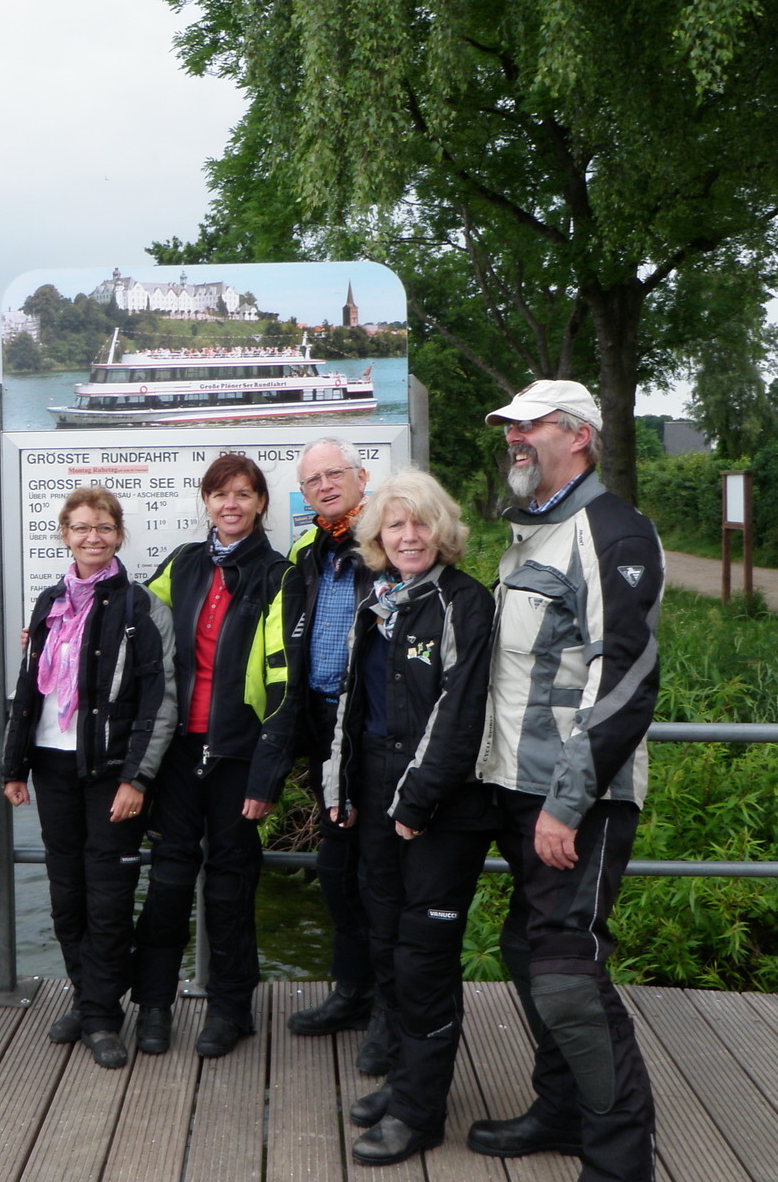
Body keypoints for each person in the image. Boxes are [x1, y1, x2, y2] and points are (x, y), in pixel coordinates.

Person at [468, 380, 663, 1182]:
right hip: (518, 789)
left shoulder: (613, 532)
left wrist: (566, 802)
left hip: (576, 800)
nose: (514, 440)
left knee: (567, 975)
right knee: (527, 950)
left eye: (529, 427)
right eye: (509, 430)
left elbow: (624, 684)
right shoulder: (532, 533)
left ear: (577, 436)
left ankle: (618, 1160)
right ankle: (562, 1110)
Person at [319, 470, 497, 1166]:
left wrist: (415, 803)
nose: (409, 536)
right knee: (387, 942)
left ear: (443, 531)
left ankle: (420, 1114)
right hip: (375, 793)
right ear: (377, 536)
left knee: (424, 959)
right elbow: (350, 703)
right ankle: (403, 1084)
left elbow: (462, 711)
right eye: (395, 526)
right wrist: (340, 784)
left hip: (438, 809)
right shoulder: (377, 601)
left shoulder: (464, 603)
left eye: (421, 524)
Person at [0, 487, 176, 1069]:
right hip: (52, 765)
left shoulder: (143, 608)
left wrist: (137, 779)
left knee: (108, 897)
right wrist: (14, 764)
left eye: (102, 528)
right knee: (66, 894)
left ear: (119, 535)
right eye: (80, 528)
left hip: (109, 773)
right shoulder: (49, 602)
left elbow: (160, 701)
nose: (92, 537)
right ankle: (88, 995)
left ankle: (101, 1015)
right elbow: (30, 688)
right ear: (65, 535)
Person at [131, 453, 297, 1059]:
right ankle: (153, 1004)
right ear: (205, 501)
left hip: (236, 753)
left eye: (244, 494)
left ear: (260, 505)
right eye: (220, 494)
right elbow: (131, 618)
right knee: (170, 879)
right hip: (178, 749)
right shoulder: (184, 562)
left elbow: (284, 681)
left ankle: (231, 1009)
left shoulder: (278, 576)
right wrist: (51, 628)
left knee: (231, 883)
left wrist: (267, 770)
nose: (231, 504)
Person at [281, 437, 390, 1072]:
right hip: (326, 728)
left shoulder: (384, 539)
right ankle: (352, 989)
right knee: (335, 867)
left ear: (360, 475)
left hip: (375, 727)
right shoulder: (313, 549)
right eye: (312, 479)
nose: (324, 485)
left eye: (334, 474)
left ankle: (387, 1005)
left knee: (378, 870)